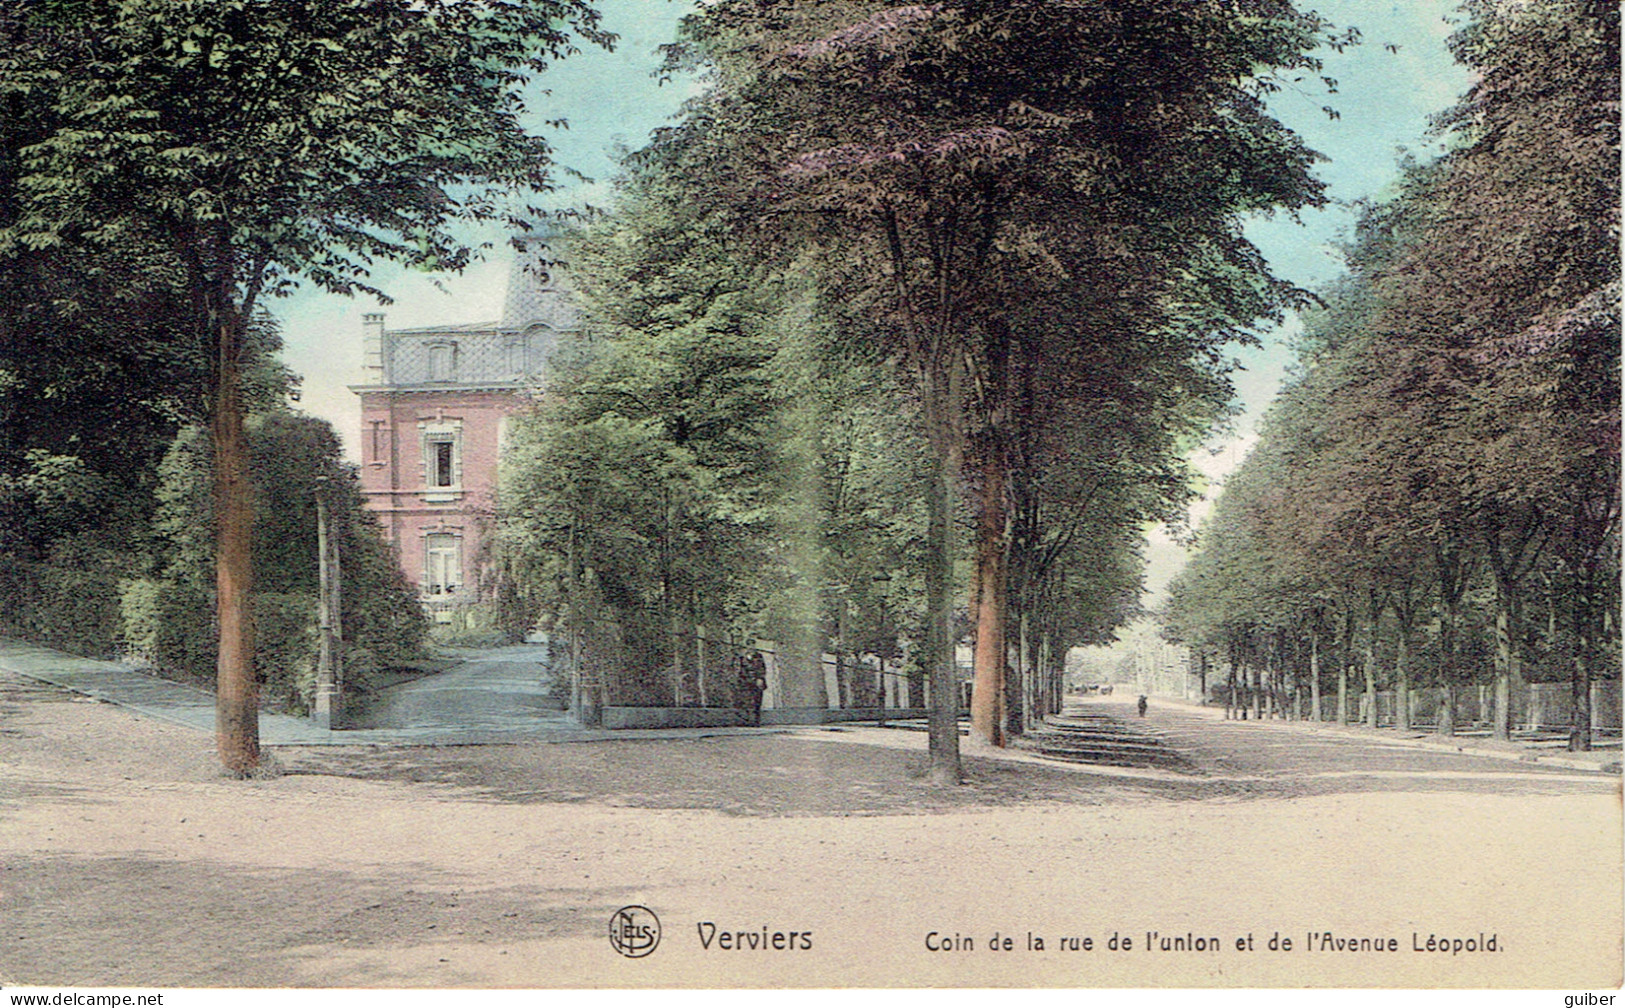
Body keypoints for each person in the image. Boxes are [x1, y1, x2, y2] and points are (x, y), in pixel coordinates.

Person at [738, 652, 768, 726]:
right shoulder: (741, 657)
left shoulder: (759, 656)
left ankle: (756, 721)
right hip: (746, 682)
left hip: (757, 682)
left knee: (757, 701)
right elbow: (739, 670)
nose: (750, 648)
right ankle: (747, 720)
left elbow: (762, 669)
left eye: (752, 645)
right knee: (746, 701)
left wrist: (760, 678)